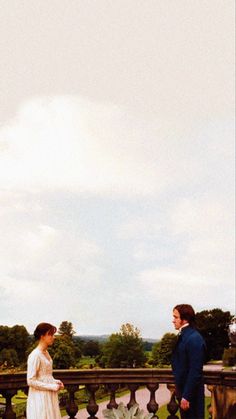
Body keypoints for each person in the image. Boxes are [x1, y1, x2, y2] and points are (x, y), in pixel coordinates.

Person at [171, 304, 206, 419]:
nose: (173, 320)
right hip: (184, 393)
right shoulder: (186, 335)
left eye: (176, 317)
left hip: (191, 397)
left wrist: (186, 396)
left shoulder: (194, 338)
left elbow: (195, 371)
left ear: (184, 319)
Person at [27, 322, 64, 419]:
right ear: (42, 336)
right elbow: (30, 380)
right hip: (40, 398)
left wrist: (56, 382)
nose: (53, 337)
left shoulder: (46, 352)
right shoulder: (35, 355)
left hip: (49, 396)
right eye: (50, 334)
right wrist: (51, 386)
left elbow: (45, 375)